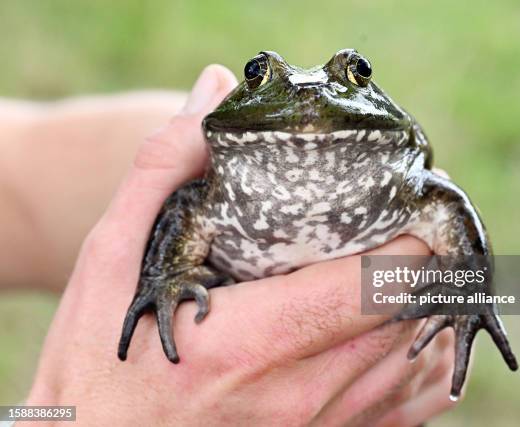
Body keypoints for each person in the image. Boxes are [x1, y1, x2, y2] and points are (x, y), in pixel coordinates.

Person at [1, 65, 456, 426]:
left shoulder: (410, 186)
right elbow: (187, 210)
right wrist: (67, 415)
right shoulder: (204, 202)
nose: (309, 100)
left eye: (355, 75)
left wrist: (472, 300)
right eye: (259, 77)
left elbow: (449, 213)